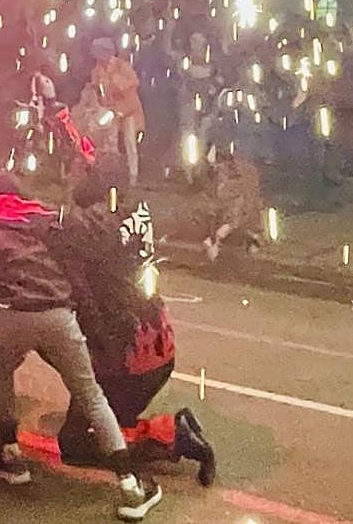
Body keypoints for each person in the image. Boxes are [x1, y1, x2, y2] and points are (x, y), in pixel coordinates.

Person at [0, 180, 162, 521]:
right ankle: (129, 485)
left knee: (0, 376)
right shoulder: (48, 220)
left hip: (12, 314)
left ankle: (10, 454)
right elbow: (75, 265)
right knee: (91, 395)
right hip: (59, 313)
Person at [53, 173, 216, 485]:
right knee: (112, 416)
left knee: (74, 442)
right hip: (154, 339)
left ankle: (172, 435)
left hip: (129, 357)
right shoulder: (133, 213)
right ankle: (151, 428)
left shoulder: (90, 238)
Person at [90, 39, 145, 187]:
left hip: (129, 109)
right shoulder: (98, 70)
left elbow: (134, 83)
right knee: (110, 141)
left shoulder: (122, 66)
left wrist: (118, 82)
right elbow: (97, 89)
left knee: (130, 142)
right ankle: (112, 173)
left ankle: (133, 175)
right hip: (111, 110)